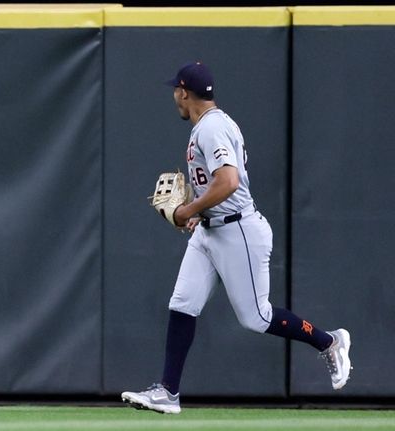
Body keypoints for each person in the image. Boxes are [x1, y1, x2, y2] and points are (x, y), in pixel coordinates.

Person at [121, 62, 351, 414]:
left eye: (176, 91)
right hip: (213, 229)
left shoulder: (211, 128)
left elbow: (227, 182)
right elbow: (220, 183)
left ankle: (329, 341)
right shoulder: (212, 124)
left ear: (184, 92)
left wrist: (187, 210)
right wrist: (199, 212)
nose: (174, 97)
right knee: (183, 302)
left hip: (238, 229)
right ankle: (168, 392)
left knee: (256, 318)